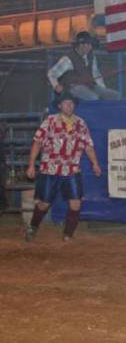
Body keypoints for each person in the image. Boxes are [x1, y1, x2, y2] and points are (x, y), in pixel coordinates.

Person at [24, 92, 101, 242]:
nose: (69, 106)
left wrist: (95, 163)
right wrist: (31, 164)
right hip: (50, 169)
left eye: (71, 103)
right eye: (66, 103)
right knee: (44, 204)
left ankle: (68, 234)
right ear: (60, 106)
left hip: (72, 169)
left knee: (76, 203)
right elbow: (37, 142)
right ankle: (33, 227)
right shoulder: (50, 121)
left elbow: (88, 145)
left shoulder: (81, 123)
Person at [47, 31, 121, 101]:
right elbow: (52, 73)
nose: (90, 47)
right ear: (80, 45)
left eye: (91, 45)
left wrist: (103, 89)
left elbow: (96, 74)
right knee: (93, 98)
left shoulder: (91, 57)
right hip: (73, 87)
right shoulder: (68, 59)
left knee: (115, 96)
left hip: (90, 86)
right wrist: (56, 85)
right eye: (88, 45)